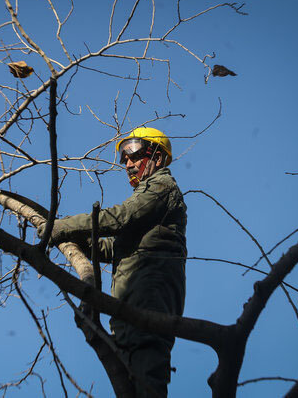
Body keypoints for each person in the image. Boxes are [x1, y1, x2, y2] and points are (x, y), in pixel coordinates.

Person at [39, 127, 187, 397]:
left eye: (134, 154)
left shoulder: (163, 187)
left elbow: (121, 218)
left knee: (146, 378)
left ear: (158, 155)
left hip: (149, 301)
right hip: (130, 307)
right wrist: (81, 239)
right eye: (124, 159)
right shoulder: (146, 196)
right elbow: (114, 247)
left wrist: (64, 227)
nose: (128, 164)